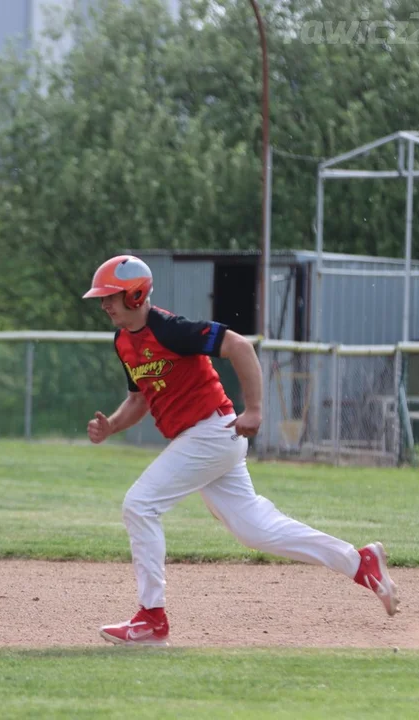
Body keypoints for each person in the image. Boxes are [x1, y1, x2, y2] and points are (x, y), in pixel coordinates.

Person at [82, 254, 399, 646]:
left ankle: (151, 619)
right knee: (256, 530)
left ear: (135, 295)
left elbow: (239, 347)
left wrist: (256, 408)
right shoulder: (123, 342)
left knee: (139, 504)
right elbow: (139, 400)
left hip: (212, 432)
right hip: (203, 439)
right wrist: (112, 425)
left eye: (110, 296)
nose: (104, 304)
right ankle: (359, 562)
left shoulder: (170, 329)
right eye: (102, 298)